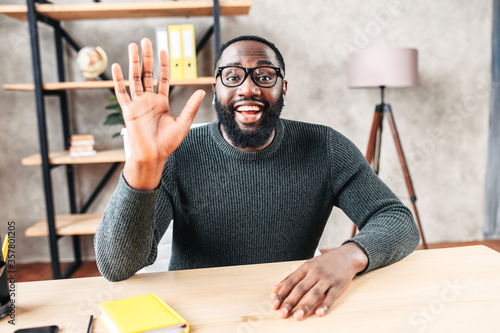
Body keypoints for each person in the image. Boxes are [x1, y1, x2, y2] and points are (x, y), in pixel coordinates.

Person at [94, 35, 420, 321]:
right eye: (232, 76)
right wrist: (143, 163)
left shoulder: (325, 147)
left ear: (283, 88)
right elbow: (117, 266)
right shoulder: (177, 153)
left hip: (288, 308)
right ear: (216, 88)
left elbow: (396, 219)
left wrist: (347, 256)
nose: (248, 88)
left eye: (265, 76)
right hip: (197, 315)